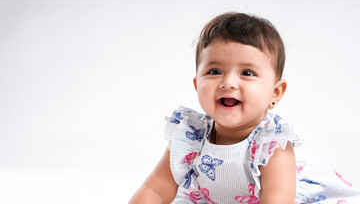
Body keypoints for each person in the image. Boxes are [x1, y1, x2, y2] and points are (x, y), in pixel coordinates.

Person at [129, 12, 360, 203]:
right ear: (197, 84)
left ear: (275, 93)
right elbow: (155, 191)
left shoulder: (272, 146)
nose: (228, 82)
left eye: (247, 73)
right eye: (215, 71)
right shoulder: (190, 136)